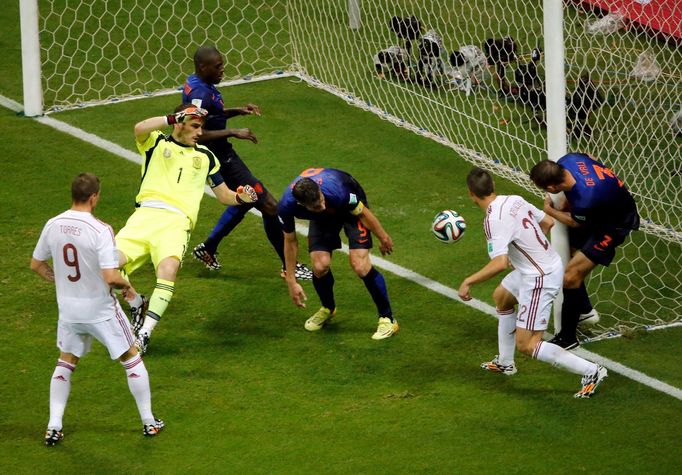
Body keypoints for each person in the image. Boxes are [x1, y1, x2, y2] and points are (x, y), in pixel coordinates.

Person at [31, 173, 164, 446]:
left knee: (66, 362)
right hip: (100, 310)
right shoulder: (100, 230)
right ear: (94, 197)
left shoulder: (53, 224)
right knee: (131, 357)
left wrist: (58, 279)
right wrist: (131, 290)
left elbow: (37, 264)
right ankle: (149, 422)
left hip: (68, 310)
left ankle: (53, 425)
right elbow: (110, 276)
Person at [116, 104, 258, 354]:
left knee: (168, 269)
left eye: (201, 127)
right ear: (178, 124)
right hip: (144, 217)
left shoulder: (206, 157)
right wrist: (169, 117)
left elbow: (224, 194)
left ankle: (145, 335)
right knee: (106, 266)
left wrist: (240, 198)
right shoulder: (155, 143)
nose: (199, 132)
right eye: (194, 126)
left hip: (177, 223)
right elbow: (139, 127)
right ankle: (137, 303)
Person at [458, 167, 607, 398]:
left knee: (528, 344)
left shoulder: (492, 221)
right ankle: (506, 362)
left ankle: (592, 371)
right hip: (542, 265)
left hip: (539, 277)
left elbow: (499, 263)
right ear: (494, 186)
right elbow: (547, 222)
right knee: (502, 297)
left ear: (471, 194)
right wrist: (530, 250)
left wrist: (468, 281)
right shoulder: (514, 199)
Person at [182, 45, 312, 281]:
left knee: (245, 199)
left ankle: (208, 248)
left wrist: (238, 111)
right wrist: (233, 131)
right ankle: (289, 267)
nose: (223, 70)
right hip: (221, 158)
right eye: (218, 66)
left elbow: (211, 115)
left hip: (222, 154)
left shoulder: (198, 84)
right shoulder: (198, 94)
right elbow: (197, 131)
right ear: (203, 67)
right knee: (270, 206)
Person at [530, 154, 640, 349]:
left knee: (570, 276)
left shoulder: (586, 200)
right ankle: (585, 311)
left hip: (613, 226)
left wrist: (550, 209)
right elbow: (591, 157)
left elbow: (574, 222)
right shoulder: (569, 159)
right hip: (601, 207)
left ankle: (567, 338)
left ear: (551, 188)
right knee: (566, 254)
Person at [277, 168, 399, 340]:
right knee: (319, 266)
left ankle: (388, 318)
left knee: (360, 266)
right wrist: (291, 281)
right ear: (302, 206)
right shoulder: (286, 206)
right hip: (322, 218)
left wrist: (383, 237)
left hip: (349, 209)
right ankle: (328, 308)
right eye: (316, 205)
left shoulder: (338, 191)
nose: (322, 205)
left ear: (319, 190)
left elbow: (362, 213)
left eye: (320, 199)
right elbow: (290, 241)